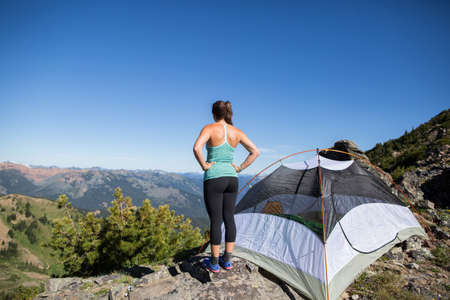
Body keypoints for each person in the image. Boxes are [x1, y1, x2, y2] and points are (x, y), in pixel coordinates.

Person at [193, 100, 260, 272]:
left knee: (216, 220)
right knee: (229, 218)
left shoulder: (209, 128)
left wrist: (204, 165)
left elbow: (196, 148)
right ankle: (227, 260)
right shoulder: (236, 132)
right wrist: (240, 167)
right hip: (232, 178)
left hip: (214, 177)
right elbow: (255, 151)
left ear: (214, 113)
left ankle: (214, 262)